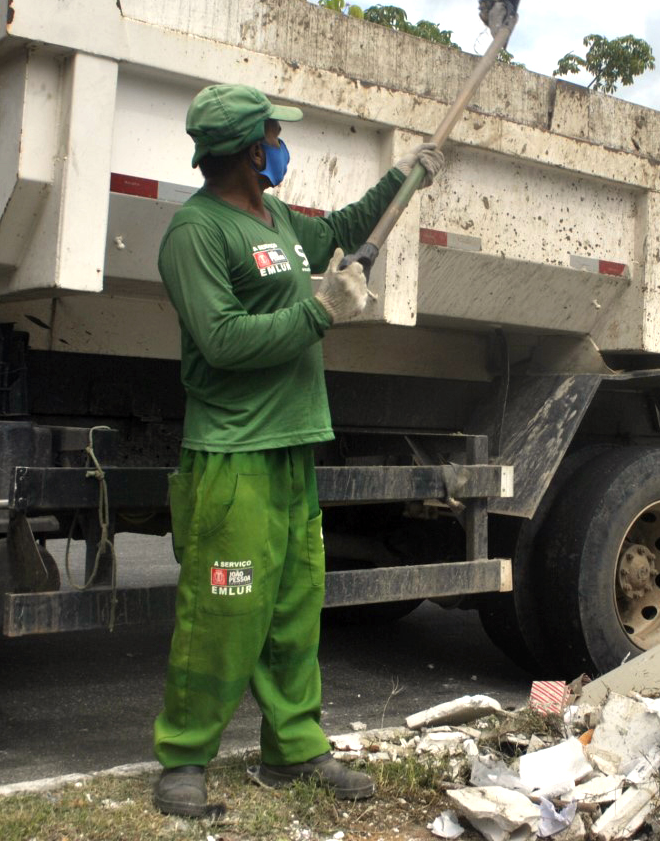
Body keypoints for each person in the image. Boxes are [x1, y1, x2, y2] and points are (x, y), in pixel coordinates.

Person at [150, 83, 444, 818]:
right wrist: (320, 312)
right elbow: (219, 340)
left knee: (292, 609)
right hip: (231, 454)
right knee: (222, 613)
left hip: (292, 446)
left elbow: (341, 227)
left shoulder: (273, 215)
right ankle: (183, 759)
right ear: (252, 149)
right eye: (275, 134)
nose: (282, 144)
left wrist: (405, 174)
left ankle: (294, 752)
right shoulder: (195, 233)